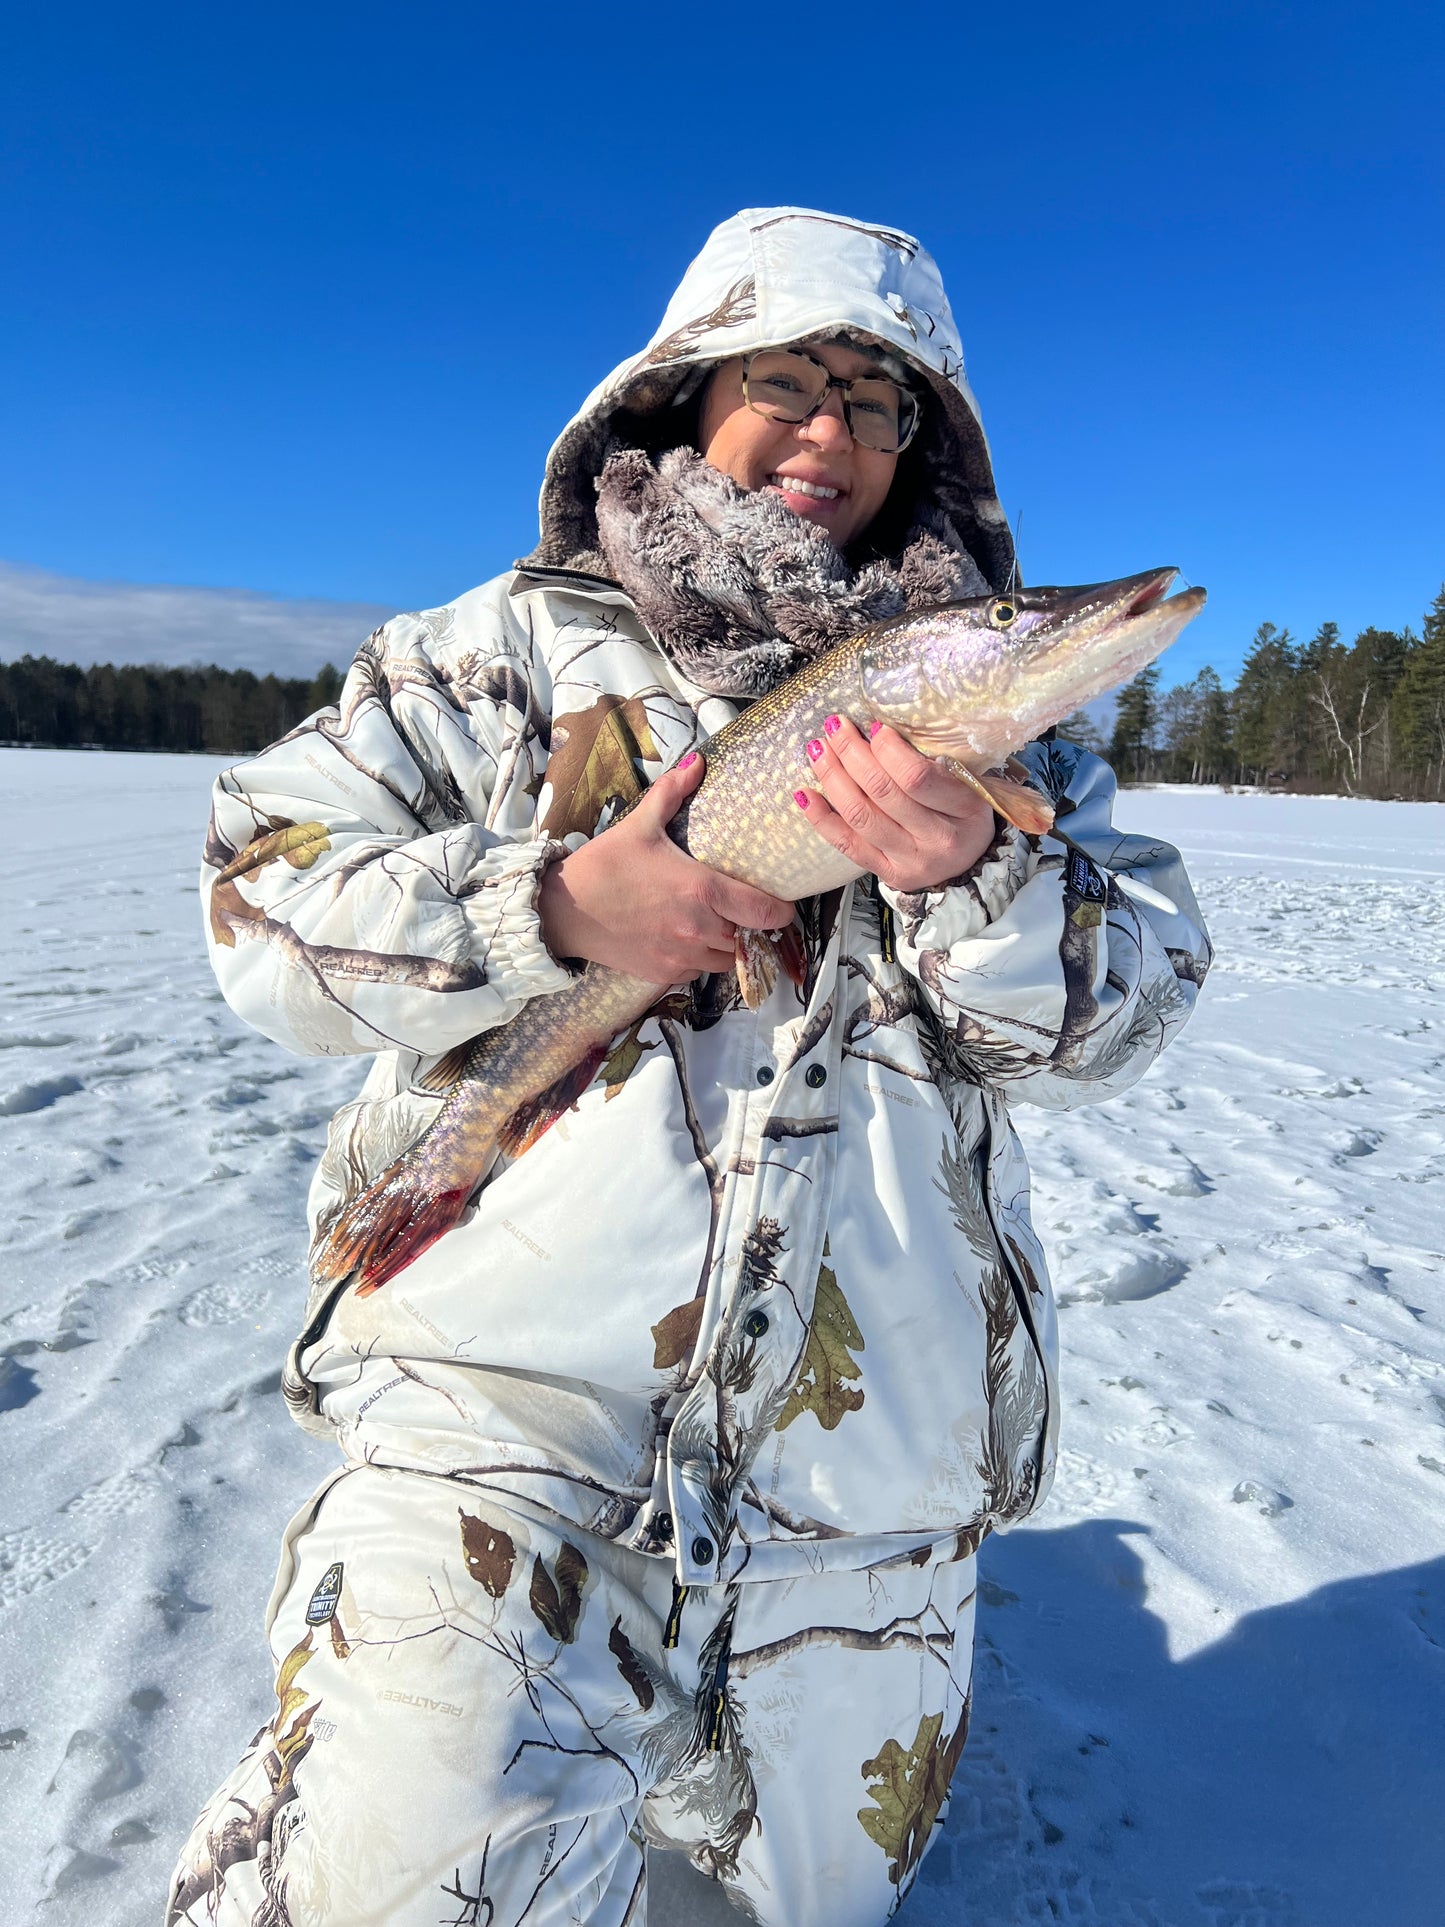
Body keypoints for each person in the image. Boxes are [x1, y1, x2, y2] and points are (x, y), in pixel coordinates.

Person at [168, 207, 1210, 1927]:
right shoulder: (489, 654)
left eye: (882, 406)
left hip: (868, 1488)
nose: (831, 434)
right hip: (508, 1425)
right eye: (788, 380)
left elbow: (1113, 1021)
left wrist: (980, 879)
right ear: (679, 393)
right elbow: (253, 891)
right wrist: (561, 907)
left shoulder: (1012, 736)